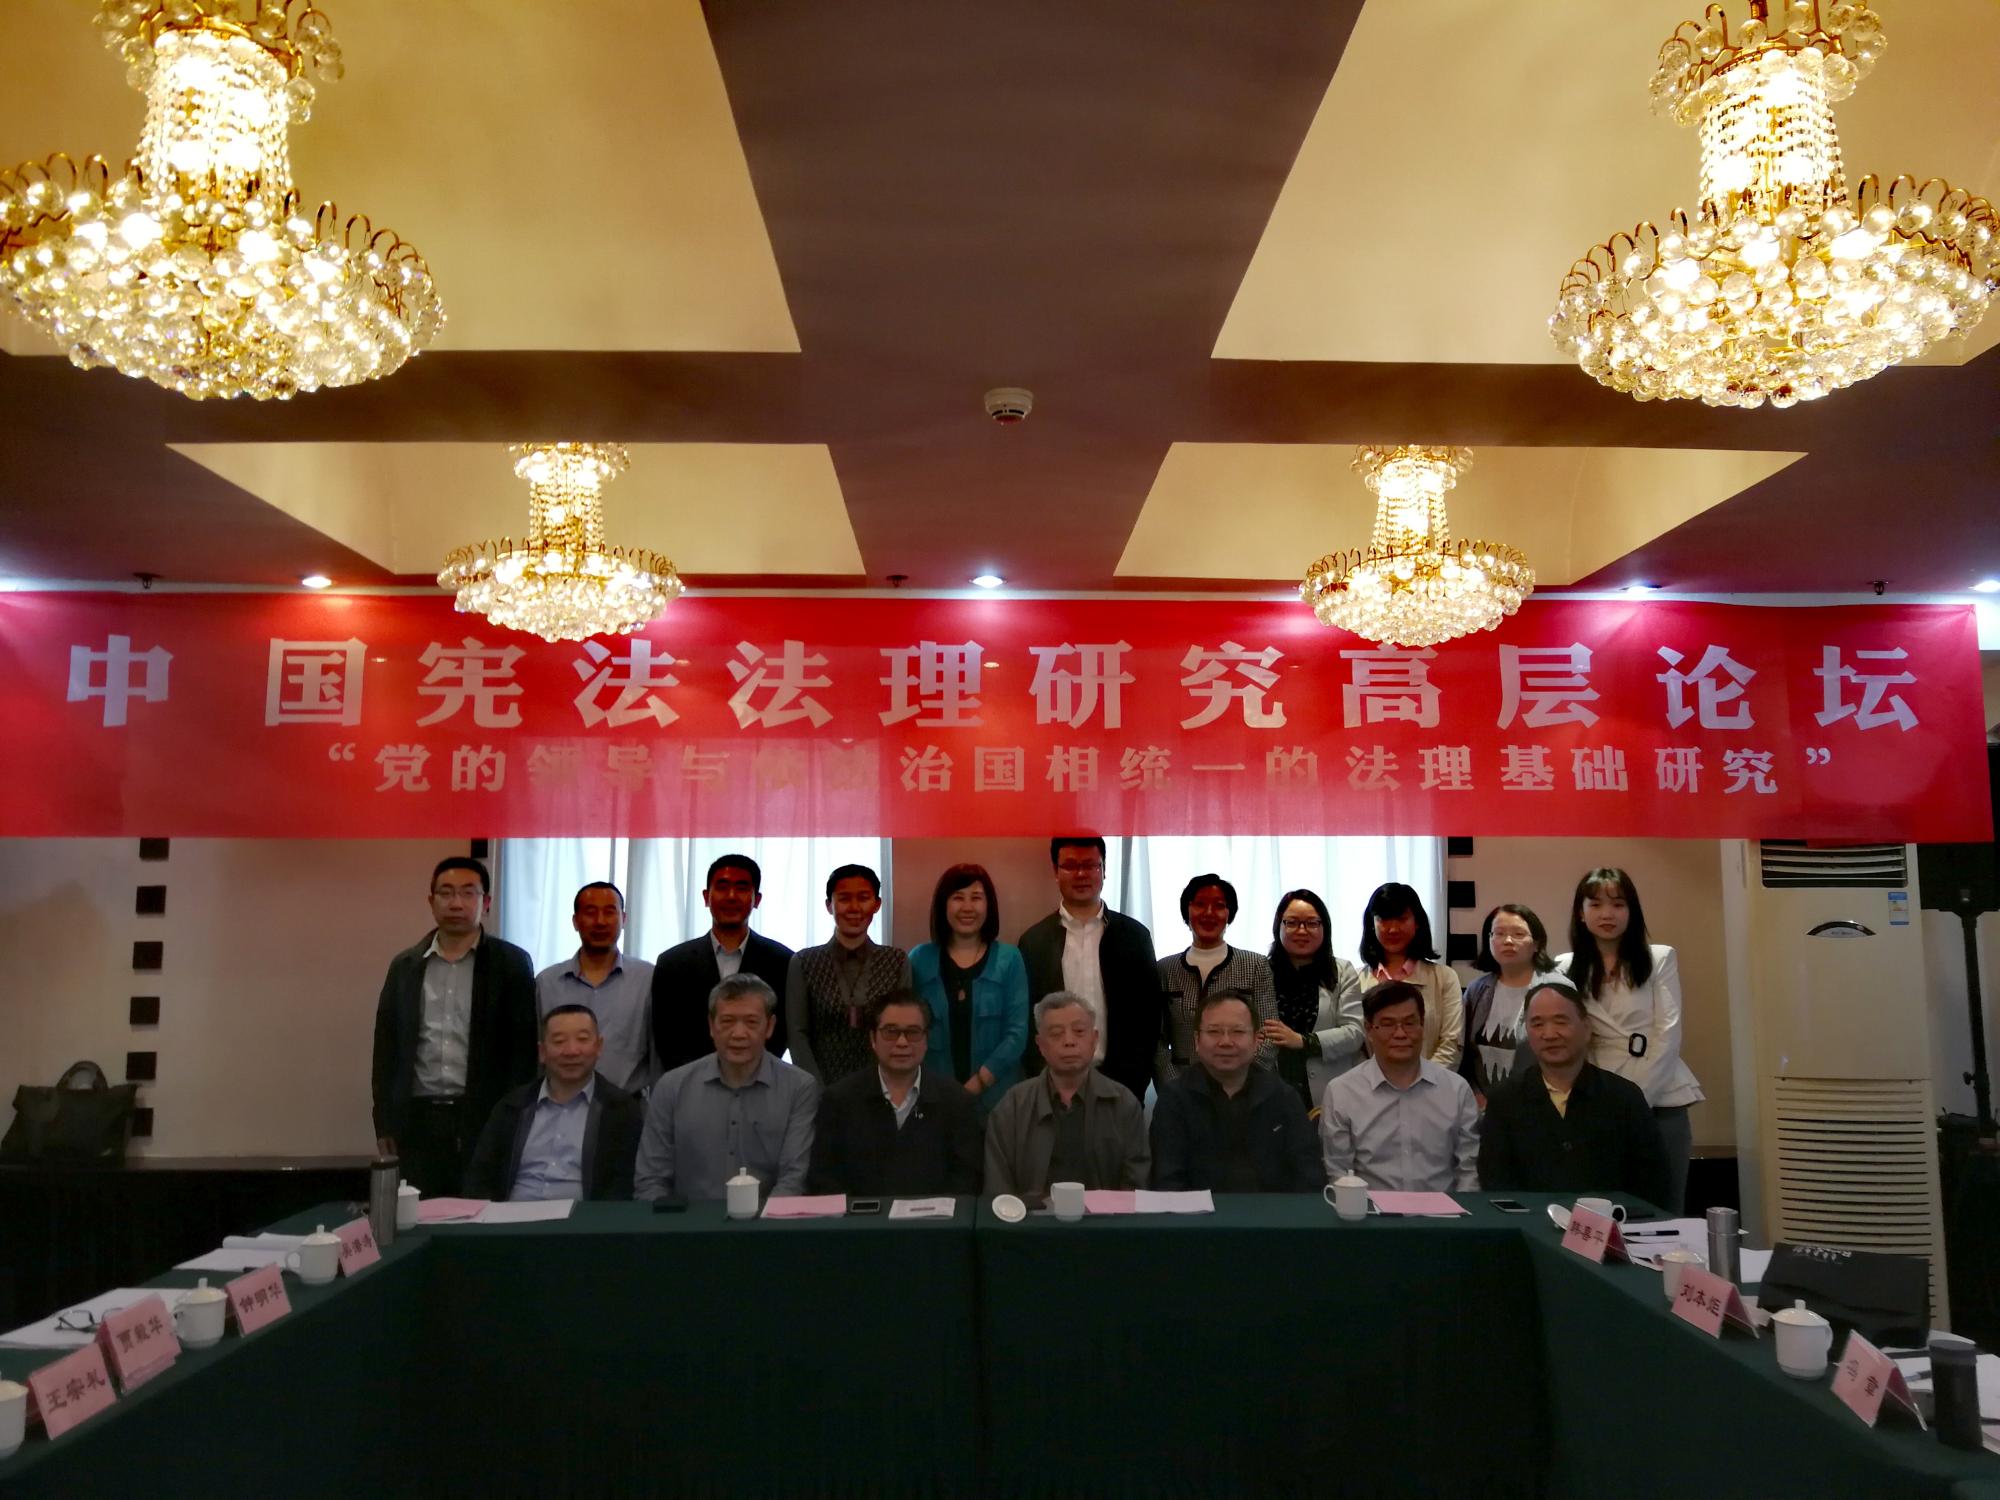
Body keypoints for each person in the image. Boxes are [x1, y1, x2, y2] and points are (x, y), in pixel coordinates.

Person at [372, 856, 538, 1197]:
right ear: (431, 901)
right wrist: (384, 1120)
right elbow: (386, 1048)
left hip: (484, 1116)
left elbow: (522, 1053)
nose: (456, 903)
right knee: (420, 1212)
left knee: (481, 1208)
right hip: (418, 1119)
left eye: (467, 893)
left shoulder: (511, 964)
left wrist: (514, 1119)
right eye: (446, 893)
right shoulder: (405, 966)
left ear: (486, 902)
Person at [1557, 867, 1703, 1214]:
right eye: (1596, 904)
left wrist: (1634, 1103)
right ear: (1581, 912)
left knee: (1663, 1210)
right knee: (1597, 1210)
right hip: (1596, 1100)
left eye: (1618, 904)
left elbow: (1668, 1033)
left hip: (1660, 1095)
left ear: (1632, 911)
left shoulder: (1659, 958)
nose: (1607, 914)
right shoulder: (1564, 967)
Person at [1478, 980, 1671, 1208]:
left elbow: (1652, 1183)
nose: (1549, 1034)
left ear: (1586, 1028)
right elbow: (1496, 1183)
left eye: (1561, 1021)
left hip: (1613, 1225)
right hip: (1529, 1225)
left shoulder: (1624, 1097)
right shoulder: (1505, 1100)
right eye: (1537, 1024)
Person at [634, 974, 818, 1202]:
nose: (738, 1034)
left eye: (751, 1022)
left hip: (768, 1220)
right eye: (728, 1021)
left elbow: (794, 1178)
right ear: (711, 1026)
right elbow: (651, 1180)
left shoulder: (799, 1088)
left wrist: (767, 1221)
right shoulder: (672, 1086)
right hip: (686, 1220)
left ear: (770, 1027)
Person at [1016, 836, 1163, 1104]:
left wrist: (1137, 1080)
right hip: (1054, 1085)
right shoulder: (1034, 942)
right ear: (1055, 871)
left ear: (1104, 870)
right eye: (1070, 866)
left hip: (1122, 1084)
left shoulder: (1134, 936)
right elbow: (1026, 1018)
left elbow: (1150, 1015)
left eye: (1090, 865)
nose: (1081, 874)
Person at [805, 992, 984, 1197]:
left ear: (926, 1040)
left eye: (913, 1032)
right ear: (873, 1038)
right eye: (891, 1032)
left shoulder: (957, 1102)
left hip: (936, 1217)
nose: (902, 1042)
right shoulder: (838, 1100)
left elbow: (967, 1179)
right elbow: (823, 1177)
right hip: (857, 1216)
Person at [463, 1003, 646, 1202]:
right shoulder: (512, 1106)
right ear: (542, 1051)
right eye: (559, 1041)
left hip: (584, 1217)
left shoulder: (620, 1109)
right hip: (513, 1215)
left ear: (598, 1047)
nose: (571, 1051)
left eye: (582, 1039)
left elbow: (622, 1186)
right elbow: (480, 1178)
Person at [1150, 992, 1323, 1193]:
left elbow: (1309, 1177)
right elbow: (1167, 1181)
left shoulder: (1283, 1097)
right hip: (1196, 1212)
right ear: (1197, 1040)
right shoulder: (1174, 1099)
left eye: (1238, 1032)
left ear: (1257, 1040)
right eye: (1214, 1031)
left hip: (1272, 1211)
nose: (1225, 1041)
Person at [984, 992, 1149, 1199]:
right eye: (1056, 1034)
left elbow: (1136, 1185)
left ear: (1094, 1039)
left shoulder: (1123, 1104)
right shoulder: (1012, 1107)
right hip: (1029, 1218)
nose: (1069, 1041)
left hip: (1107, 1218)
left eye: (1079, 1031)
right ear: (1040, 1045)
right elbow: (998, 1191)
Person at [1319, 980, 1480, 1193]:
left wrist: (1465, 1212)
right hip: (1369, 1211)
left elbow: (1469, 1171)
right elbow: (1338, 1173)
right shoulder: (1342, 1092)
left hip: (1445, 1211)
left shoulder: (1456, 1090)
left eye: (1410, 1023)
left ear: (1423, 1025)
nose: (1401, 1034)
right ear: (1369, 1030)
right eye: (1387, 1024)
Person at [652, 853, 794, 1075]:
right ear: (706, 897)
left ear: (757, 900)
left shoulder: (782, 961)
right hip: (691, 1085)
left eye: (742, 888)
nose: (731, 896)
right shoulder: (672, 963)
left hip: (760, 1083)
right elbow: (666, 1036)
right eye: (722, 887)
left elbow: (781, 1032)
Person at [909, 864, 1029, 1116]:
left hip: (998, 1101)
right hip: (935, 1100)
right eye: (957, 898)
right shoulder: (919, 960)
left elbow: (1017, 1034)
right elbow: (910, 1031)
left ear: (989, 905)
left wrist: (976, 1085)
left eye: (976, 898)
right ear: (943, 905)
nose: (967, 907)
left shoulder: (1009, 959)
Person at [785, 864, 913, 1087]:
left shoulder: (896, 961)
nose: (854, 908)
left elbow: (902, 1028)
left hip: (882, 1089)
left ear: (877, 904)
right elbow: (797, 1034)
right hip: (821, 1090)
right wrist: (817, 1091)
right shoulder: (804, 962)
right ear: (829, 905)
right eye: (844, 899)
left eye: (863, 898)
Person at [534, 881, 656, 1095]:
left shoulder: (648, 979)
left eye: (609, 912)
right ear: (575, 921)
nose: (600, 921)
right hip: (561, 1104)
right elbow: (535, 1054)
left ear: (623, 919)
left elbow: (658, 1055)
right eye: (590, 913)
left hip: (629, 1107)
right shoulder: (547, 983)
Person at [1156, 874, 1279, 1084]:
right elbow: (1156, 1041)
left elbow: (1270, 1034)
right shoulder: (1165, 969)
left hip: (1246, 1088)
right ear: (1187, 910)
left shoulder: (1256, 965)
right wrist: (1175, 1087)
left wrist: (1239, 1082)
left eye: (1219, 906)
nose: (1209, 913)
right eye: (1200, 904)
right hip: (1183, 1088)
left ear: (1229, 913)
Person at [1262, 888, 1366, 1113]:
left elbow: (1355, 1032)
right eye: (1292, 923)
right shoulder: (1261, 971)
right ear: (1278, 926)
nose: (1302, 930)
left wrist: (1302, 1041)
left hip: (1330, 1090)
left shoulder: (1342, 971)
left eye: (1311, 923)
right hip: (1272, 1089)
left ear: (1324, 927)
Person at [1359, 882, 1463, 1070]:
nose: (1393, 929)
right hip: (1368, 1086)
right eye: (1384, 919)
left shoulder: (1444, 978)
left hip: (1432, 1084)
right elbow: (1353, 1048)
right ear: (1372, 924)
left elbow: (1452, 1044)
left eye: (1401, 918)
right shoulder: (1355, 980)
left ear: (1417, 923)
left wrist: (1420, 1082)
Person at [1460, 904, 1557, 1105]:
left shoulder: (1556, 989)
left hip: (1539, 1104)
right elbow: (1464, 1052)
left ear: (1537, 943)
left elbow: (1566, 1054)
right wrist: (1475, 1093)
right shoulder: (1477, 990)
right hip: (1483, 1106)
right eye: (1499, 933)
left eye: (1518, 934)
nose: (1508, 941)